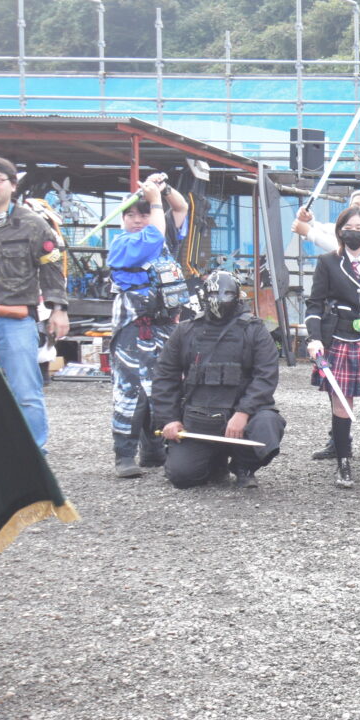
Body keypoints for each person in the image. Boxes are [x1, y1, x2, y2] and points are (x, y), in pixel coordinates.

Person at [152, 272, 286, 489]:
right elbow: (164, 377)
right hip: (198, 418)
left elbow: (266, 377)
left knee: (267, 425)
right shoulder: (185, 331)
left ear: (238, 297)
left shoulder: (255, 330)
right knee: (182, 477)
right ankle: (215, 463)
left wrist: (243, 412)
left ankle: (244, 466)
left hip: (241, 415)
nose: (220, 301)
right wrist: (169, 419)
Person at [0, 155, 68, 454]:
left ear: (13, 185)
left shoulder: (33, 224)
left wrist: (58, 310)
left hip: (13, 321)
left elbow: (52, 267)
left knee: (26, 391)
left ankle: (32, 455)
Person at [298, 188, 360, 465]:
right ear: (340, 231)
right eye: (348, 228)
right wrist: (314, 339)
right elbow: (315, 304)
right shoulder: (327, 262)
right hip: (340, 341)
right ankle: (343, 464)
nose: (353, 232)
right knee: (342, 404)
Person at [106, 172, 193, 477]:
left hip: (166, 325)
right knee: (131, 390)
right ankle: (124, 454)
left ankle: (155, 449)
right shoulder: (122, 244)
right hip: (134, 326)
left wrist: (164, 189)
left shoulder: (163, 235)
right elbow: (152, 237)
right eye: (130, 215)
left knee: (165, 386)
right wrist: (154, 202)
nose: (137, 220)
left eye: (143, 214)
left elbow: (181, 208)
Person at [293, 188, 360, 263]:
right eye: (355, 206)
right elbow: (327, 230)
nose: (359, 210)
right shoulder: (344, 228)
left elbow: (349, 250)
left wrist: (310, 232)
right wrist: (309, 220)